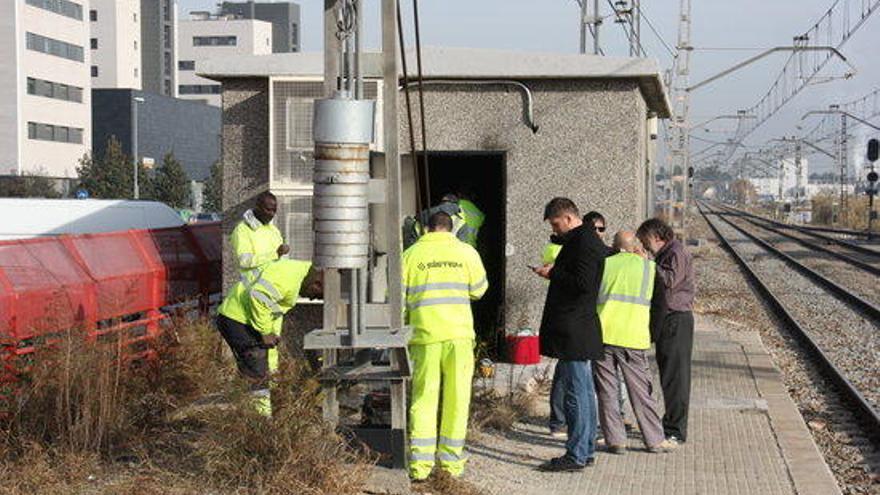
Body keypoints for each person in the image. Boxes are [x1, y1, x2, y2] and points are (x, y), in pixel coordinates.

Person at [403, 211, 488, 481]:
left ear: (425, 229)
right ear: (451, 229)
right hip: (460, 336)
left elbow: (396, 299)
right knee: (457, 399)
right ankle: (451, 467)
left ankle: (420, 467)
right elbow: (479, 290)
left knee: (423, 399)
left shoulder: (410, 255)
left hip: (424, 336)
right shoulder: (467, 253)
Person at [533, 198, 606, 472]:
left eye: (555, 224)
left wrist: (554, 274)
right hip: (579, 329)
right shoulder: (585, 239)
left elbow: (584, 284)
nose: (555, 230)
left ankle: (575, 454)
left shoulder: (584, 243)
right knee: (584, 392)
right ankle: (584, 450)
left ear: (567, 218)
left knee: (576, 395)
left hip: (574, 330)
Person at [594, 231, 675, 454]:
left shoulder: (604, 265)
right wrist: (652, 335)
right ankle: (654, 440)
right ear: (634, 247)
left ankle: (616, 441)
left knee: (607, 391)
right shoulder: (649, 269)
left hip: (603, 336)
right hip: (633, 338)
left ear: (614, 246)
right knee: (641, 392)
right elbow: (661, 306)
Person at [216, 258, 323, 416]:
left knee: (259, 370)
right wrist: (265, 332)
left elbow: (271, 310)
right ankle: (260, 421)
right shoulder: (288, 279)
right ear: (317, 284)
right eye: (316, 295)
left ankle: (256, 413)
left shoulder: (300, 272)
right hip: (238, 319)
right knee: (256, 373)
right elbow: (257, 297)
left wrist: (272, 340)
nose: (312, 299)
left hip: (245, 319)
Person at [636, 218, 695, 445]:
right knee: (669, 375)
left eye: (646, 241)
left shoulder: (675, 253)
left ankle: (675, 430)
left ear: (657, 237)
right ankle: (670, 423)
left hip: (677, 320)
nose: (645, 246)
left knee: (676, 377)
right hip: (669, 319)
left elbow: (668, 280)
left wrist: (646, 264)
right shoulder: (667, 253)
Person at [230, 191, 288, 285]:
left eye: (274, 210)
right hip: (253, 288)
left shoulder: (274, 230)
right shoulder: (242, 230)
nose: (272, 214)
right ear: (257, 207)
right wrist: (275, 254)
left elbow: (281, 260)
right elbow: (244, 261)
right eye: (268, 210)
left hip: (275, 286)